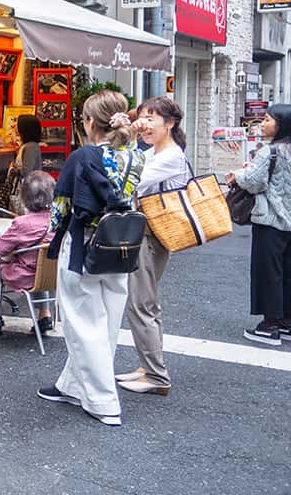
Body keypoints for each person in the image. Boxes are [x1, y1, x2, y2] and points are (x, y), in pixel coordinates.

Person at [38, 90, 143, 427]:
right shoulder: (135, 157)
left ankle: (102, 401)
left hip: (83, 246)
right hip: (119, 245)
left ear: (88, 122)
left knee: (83, 324)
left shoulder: (81, 158)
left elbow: (61, 208)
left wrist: (49, 232)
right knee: (107, 323)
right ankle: (71, 385)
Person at [118, 96, 190, 396]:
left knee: (141, 304)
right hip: (149, 233)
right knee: (147, 303)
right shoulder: (156, 152)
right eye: (142, 116)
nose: (144, 123)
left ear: (170, 123)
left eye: (152, 118)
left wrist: (129, 137)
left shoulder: (170, 156)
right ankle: (148, 366)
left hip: (150, 235)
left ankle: (157, 376)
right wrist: (134, 139)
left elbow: (128, 181)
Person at [227, 104, 291, 346]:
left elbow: (253, 182)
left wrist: (236, 176)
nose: (262, 123)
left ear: (280, 124)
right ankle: (288, 323)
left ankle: (269, 325)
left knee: (268, 272)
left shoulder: (269, 152)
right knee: (289, 273)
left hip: (270, 220)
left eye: (267, 119)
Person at [0, 170, 55, 334]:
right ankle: (45, 315)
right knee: (40, 264)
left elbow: (0, 248)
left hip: (26, 275)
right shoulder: (56, 220)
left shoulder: (22, 223)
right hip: (51, 274)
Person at [4, 114, 43, 214]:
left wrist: (13, 168)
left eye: (18, 125)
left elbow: (27, 172)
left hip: (26, 192)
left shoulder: (30, 147)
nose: (16, 128)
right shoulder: (30, 145)